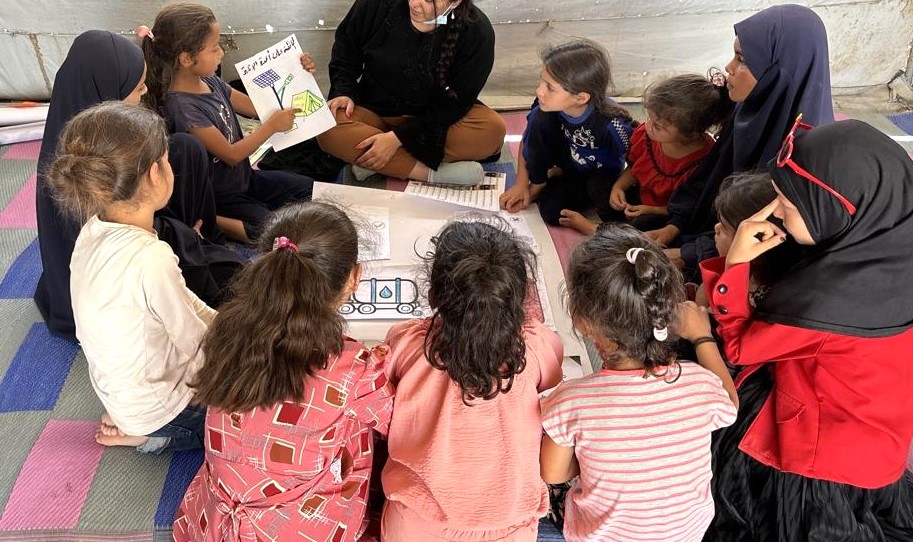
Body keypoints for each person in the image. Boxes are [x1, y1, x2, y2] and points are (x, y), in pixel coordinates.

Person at [701, 119, 913, 541]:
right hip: (879, 438)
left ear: (833, 210)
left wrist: (736, 266)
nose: (775, 211)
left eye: (787, 204)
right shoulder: (889, 246)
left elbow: (742, 347)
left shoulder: (823, 303)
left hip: (816, 458)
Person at [172, 201, 394, 542]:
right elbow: (399, 425)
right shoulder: (353, 367)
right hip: (293, 529)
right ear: (354, 277)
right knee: (365, 432)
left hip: (216, 522)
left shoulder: (226, 329)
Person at [539, 223, 737, 541]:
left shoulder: (570, 401)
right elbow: (730, 403)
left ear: (582, 322)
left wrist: (600, 458)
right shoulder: (701, 384)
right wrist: (703, 337)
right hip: (686, 533)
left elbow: (552, 473)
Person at [33, 29, 226, 341]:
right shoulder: (79, 174)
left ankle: (200, 234)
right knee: (232, 282)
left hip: (136, 219)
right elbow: (124, 243)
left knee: (183, 148)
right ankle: (194, 238)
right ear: (107, 94)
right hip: (118, 271)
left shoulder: (90, 126)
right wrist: (178, 237)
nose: (146, 90)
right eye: (138, 88)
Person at [381, 219, 563, 540]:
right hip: (510, 524)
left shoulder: (406, 343)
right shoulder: (537, 345)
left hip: (417, 522)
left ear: (433, 294)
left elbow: (385, 388)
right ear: (521, 300)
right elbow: (549, 379)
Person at [46, 101, 213, 453]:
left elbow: (184, 304)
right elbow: (194, 344)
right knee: (241, 414)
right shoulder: (151, 258)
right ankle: (153, 435)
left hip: (121, 393)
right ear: (155, 174)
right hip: (156, 408)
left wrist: (224, 322)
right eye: (168, 160)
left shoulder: (92, 230)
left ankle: (136, 420)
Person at [645, 4, 834, 280]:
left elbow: (769, 237)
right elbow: (709, 176)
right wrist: (675, 224)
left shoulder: (804, 155)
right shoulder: (748, 111)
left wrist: (684, 254)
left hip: (750, 257)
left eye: (742, 60)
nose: (729, 67)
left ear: (779, 72)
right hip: (716, 229)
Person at [143, 2, 315, 243]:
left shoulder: (210, 81)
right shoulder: (183, 107)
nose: (221, 53)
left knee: (310, 189)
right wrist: (271, 127)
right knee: (270, 232)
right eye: (214, 49)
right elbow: (232, 155)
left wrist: (298, 74)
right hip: (221, 195)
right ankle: (210, 217)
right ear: (186, 58)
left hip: (246, 179)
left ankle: (235, 214)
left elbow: (257, 107)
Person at [317, 0, 506, 185]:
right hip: (374, 112)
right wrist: (344, 91)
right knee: (327, 126)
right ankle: (431, 174)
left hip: (435, 123)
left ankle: (376, 160)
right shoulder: (374, 5)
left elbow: (455, 103)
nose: (414, 4)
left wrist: (398, 139)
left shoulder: (477, 32)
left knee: (492, 130)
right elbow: (346, 51)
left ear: (455, 3)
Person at [559, 73, 731, 235]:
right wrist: (619, 187)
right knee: (599, 182)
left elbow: (689, 208)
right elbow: (636, 167)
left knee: (645, 226)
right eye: (649, 118)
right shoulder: (649, 137)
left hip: (664, 213)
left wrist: (649, 209)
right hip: (639, 198)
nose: (648, 126)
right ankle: (618, 228)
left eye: (658, 126)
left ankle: (597, 230)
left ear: (691, 134)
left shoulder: (704, 161)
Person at [499, 40, 636, 227]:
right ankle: (540, 183)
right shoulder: (546, 106)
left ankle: (592, 214)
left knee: (615, 213)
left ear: (581, 98)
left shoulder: (612, 123)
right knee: (552, 213)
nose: (539, 91)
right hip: (570, 169)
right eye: (542, 81)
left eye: (549, 87)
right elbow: (529, 138)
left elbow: (640, 162)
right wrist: (522, 182)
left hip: (602, 176)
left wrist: (619, 187)